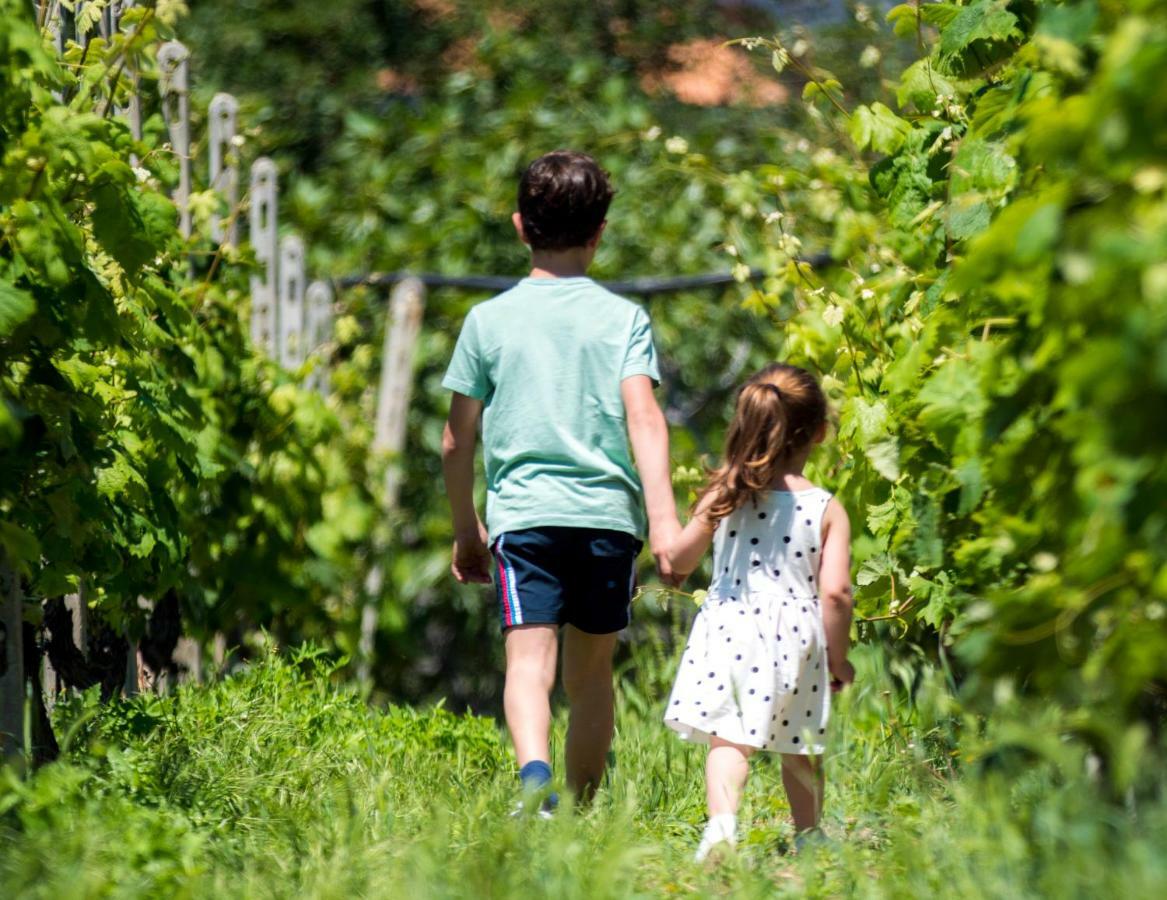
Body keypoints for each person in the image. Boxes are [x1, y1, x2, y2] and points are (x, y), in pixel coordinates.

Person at [441, 150, 681, 814]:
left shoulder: (486, 322)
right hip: (607, 520)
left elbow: (455, 439)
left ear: (519, 226)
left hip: (523, 519)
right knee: (591, 677)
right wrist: (662, 521)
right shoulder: (623, 320)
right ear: (600, 231)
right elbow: (644, 417)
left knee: (528, 665)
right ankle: (576, 811)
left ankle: (534, 785)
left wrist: (467, 530)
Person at [663, 363, 854, 860]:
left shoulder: (727, 491)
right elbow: (836, 593)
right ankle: (810, 837)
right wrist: (838, 658)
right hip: (797, 634)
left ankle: (722, 829)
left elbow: (680, 558)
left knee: (728, 739)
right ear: (818, 431)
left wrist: (673, 560)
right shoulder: (825, 507)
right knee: (800, 743)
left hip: (729, 624)